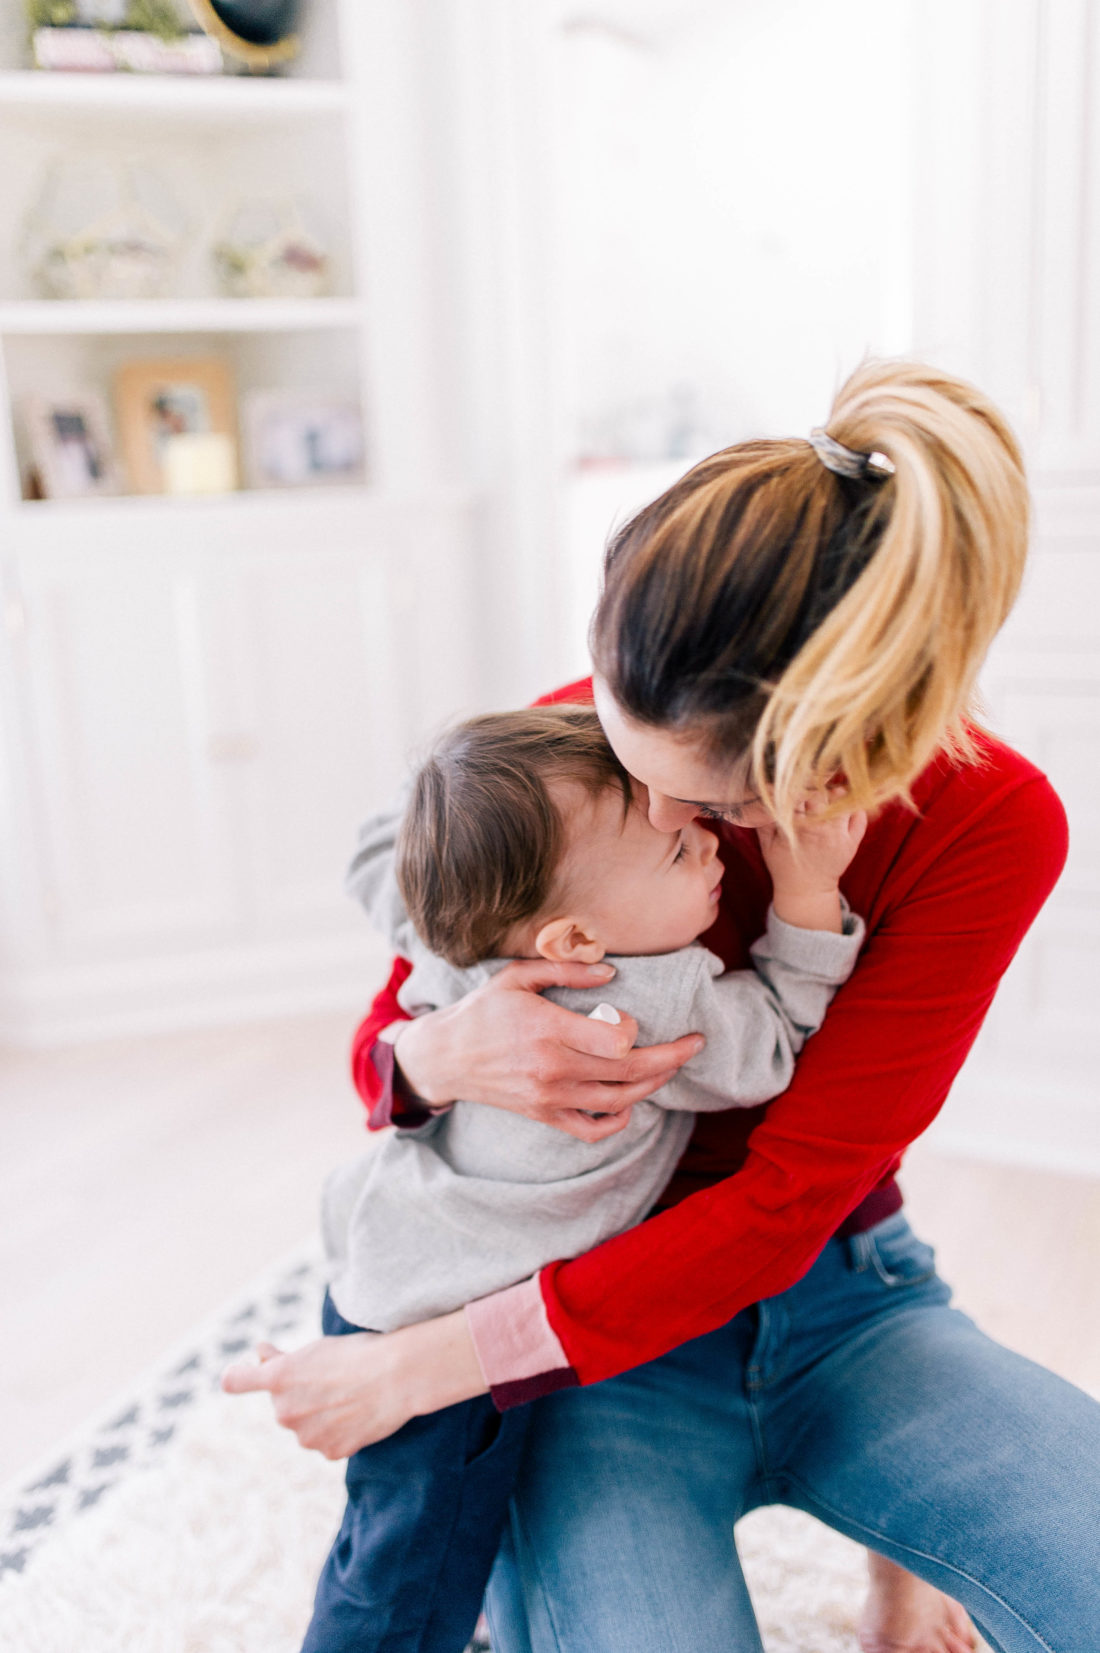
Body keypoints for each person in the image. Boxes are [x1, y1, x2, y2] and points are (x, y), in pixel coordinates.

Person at [225, 360, 1100, 1653]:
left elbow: (790, 1196)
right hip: (584, 1338)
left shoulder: (991, 824)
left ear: (830, 767)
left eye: (705, 811)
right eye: (619, 746)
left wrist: (417, 1366)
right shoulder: (585, 744)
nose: (650, 806)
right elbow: (391, 1035)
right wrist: (447, 1051)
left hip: (841, 1293)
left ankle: (898, 1550)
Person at [305, 702, 865, 1653]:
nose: (698, 833)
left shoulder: (452, 935)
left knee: (393, 1535)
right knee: (412, 1572)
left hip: (387, 1259)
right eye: (680, 856)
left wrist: (437, 791)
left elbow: (376, 869)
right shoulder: (639, 1006)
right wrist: (807, 896)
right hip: (450, 1325)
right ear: (571, 942)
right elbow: (768, 1043)